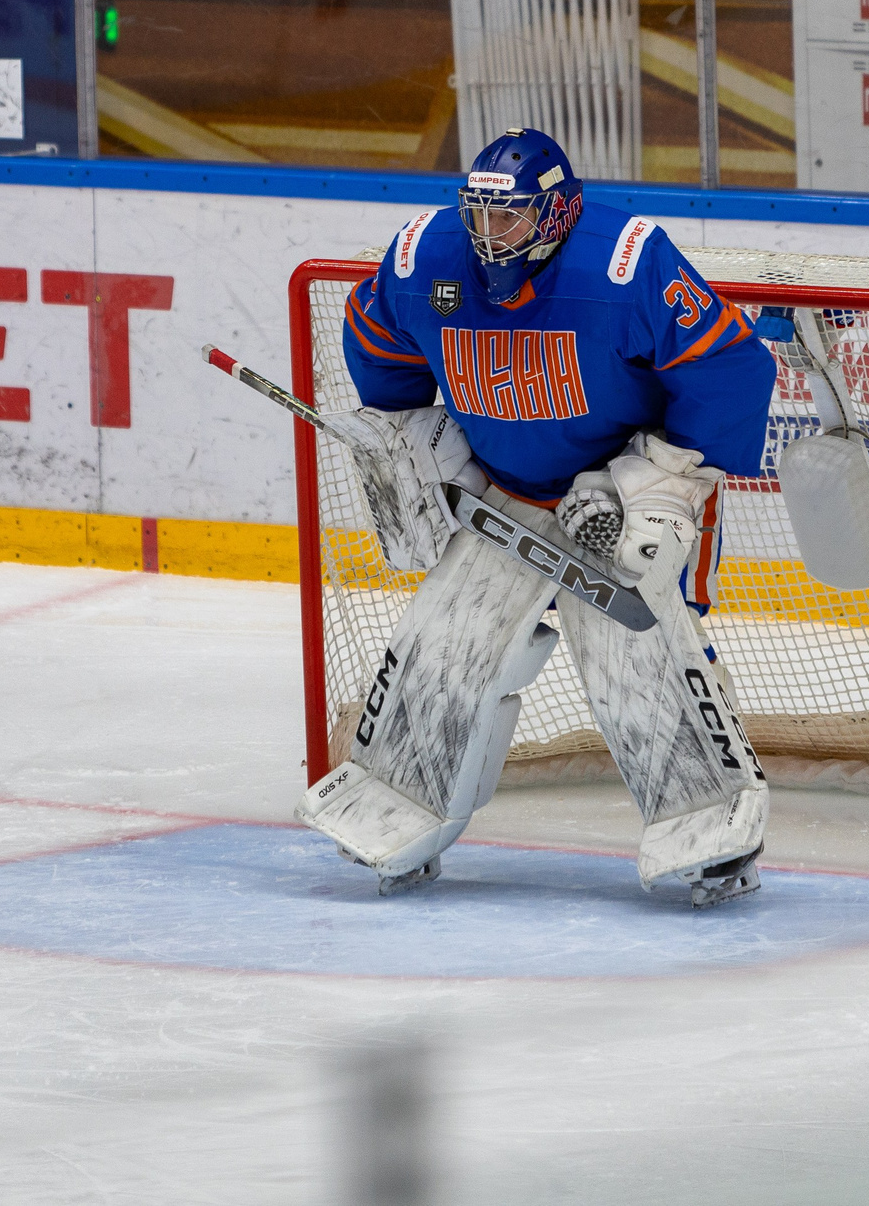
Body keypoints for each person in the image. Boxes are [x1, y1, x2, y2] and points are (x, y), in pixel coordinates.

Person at [302, 127, 786, 908]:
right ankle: (402, 804)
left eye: (512, 218)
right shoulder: (425, 256)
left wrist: (661, 479)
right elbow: (378, 339)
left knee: (638, 651)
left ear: (557, 214)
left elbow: (730, 365)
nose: (490, 236)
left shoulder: (626, 262)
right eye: (481, 216)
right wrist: (417, 439)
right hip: (504, 495)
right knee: (446, 643)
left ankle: (711, 826)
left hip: (616, 494)